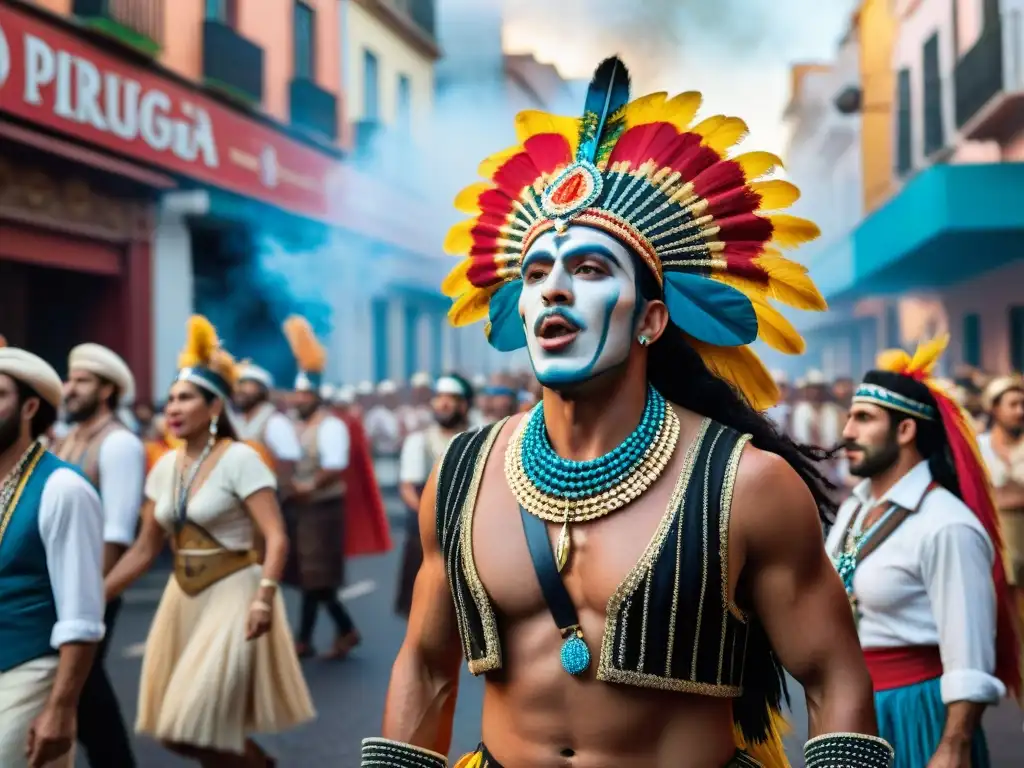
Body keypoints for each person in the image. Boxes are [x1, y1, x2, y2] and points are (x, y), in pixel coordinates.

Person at [362, 57, 889, 768]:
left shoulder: (748, 485)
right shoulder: (462, 474)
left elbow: (833, 675)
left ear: (649, 321)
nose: (553, 290)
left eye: (587, 270)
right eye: (536, 272)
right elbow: (426, 668)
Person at [103, 316, 314, 766]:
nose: (173, 409)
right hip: (182, 599)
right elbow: (143, 549)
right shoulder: (162, 466)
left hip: (236, 594)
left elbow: (277, 537)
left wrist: (264, 598)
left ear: (214, 407)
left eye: (186, 399)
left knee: (198, 725)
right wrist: (94, 597)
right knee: (181, 733)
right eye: (170, 400)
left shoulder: (241, 459)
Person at [827, 337, 1020, 767]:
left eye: (863, 418)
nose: (847, 432)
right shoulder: (854, 507)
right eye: (849, 417)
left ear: (906, 429)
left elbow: (968, 650)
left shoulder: (946, 524)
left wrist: (954, 745)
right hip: (853, 709)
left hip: (917, 711)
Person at [0, 339, 105, 768]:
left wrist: (61, 708)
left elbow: (81, 614)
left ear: (28, 409)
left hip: (28, 670)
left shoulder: (64, 489)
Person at [55, 343, 144, 768]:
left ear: (106, 390)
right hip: (62, 586)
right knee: (81, 689)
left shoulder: (119, 443)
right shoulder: (66, 438)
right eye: (69, 379)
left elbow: (118, 531)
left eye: (81, 381)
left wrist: (93, 597)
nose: (69, 389)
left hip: (93, 585)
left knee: (83, 686)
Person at [281, 316, 360, 660]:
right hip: (300, 505)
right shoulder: (292, 425)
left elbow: (334, 465)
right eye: (295, 395)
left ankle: (306, 639)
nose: (297, 400)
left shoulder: (331, 427)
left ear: (315, 396)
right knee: (310, 574)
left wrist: (308, 485)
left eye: (303, 395)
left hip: (322, 506)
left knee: (316, 574)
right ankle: (341, 630)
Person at [395, 374, 474, 617]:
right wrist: (432, 521)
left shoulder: (478, 438)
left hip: (471, 532)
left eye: (451, 398)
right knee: (424, 611)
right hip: (428, 535)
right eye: (439, 398)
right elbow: (409, 488)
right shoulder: (419, 441)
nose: (444, 404)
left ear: (464, 405)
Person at [977, 375, 1024, 590]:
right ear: (994, 408)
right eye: (1013, 405)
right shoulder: (979, 446)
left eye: (1023, 405)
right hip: (994, 551)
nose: (1020, 412)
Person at [233, 362, 303, 480]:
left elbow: (288, 461)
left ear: (262, 390)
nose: (241, 390)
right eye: (239, 384)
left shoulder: (275, 422)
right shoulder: (237, 420)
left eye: (248, 384)